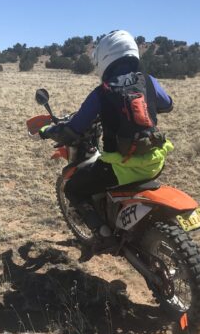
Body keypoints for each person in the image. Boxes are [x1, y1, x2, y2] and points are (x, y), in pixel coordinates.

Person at [40, 30, 174, 260]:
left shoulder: (102, 92)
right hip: (155, 162)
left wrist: (49, 131)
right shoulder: (149, 80)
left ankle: (104, 235)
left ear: (104, 58)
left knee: (73, 189)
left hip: (120, 168)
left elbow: (75, 128)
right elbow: (167, 104)